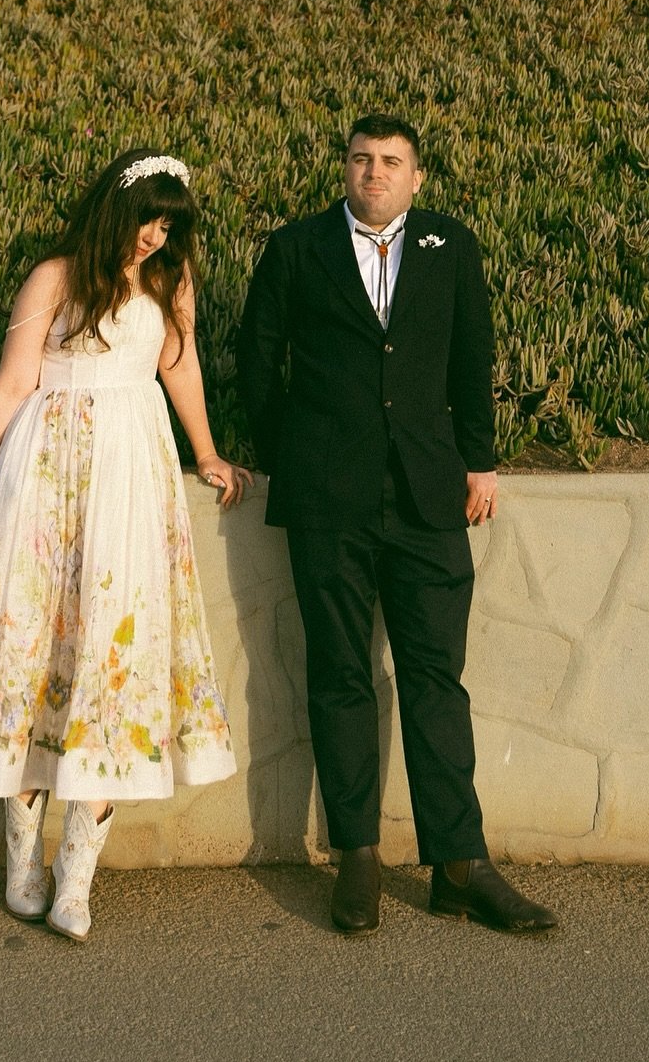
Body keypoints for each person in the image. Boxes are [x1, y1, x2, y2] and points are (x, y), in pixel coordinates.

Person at [236, 115, 557, 937]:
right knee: (340, 673)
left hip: (428, 495)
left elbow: (471, 356)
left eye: (392, 162)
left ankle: (461, 864)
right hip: (326, 501)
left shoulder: (453, 247)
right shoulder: (296, 250)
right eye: (361, 160)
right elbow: (257, 359)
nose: (374, 173)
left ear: (418, 177)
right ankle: (358, 860)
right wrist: (291, 452)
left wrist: (478, 460)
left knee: (434, 679)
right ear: (343, 168)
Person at [0, 147, 248, 942]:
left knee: (117, 652)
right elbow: (12, 382)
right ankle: (23, 862)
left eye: (169, 226)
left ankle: (76, 879)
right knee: (35, 650)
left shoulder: (169, 284)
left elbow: (181, 370)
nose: (154, 236)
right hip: (43, 470)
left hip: (131, 472)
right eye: (148, 218)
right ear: (118, 207)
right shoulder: (57, 277)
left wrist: (206, 451)